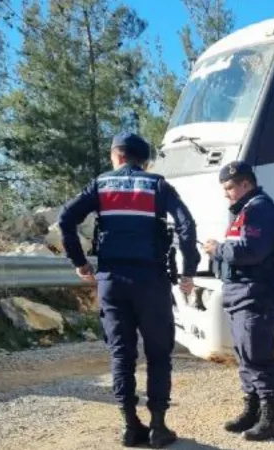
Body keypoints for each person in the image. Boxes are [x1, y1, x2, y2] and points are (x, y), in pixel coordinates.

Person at [58, 132, 200, 449]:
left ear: (117, 156)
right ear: (143, 159)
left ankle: (129, 425)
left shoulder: (100, 185)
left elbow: (66, 218)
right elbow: (186, 225)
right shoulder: (158, 185)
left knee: (121, 354)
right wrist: (188, 270)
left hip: (112, 281)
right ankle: (159, 427)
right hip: (151, 281)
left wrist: (80, 263)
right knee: (159, 354)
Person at [202, 161, 274, 441]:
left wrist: (218, 249)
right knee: (245, 356)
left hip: (257, 295)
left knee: (257, 356)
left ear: (246, 184)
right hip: (241, 295)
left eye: (229, 187)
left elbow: (252, 251)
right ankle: (251, 411)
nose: (226, 193)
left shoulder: (261, 209)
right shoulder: (244, 211)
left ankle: (271, 419)